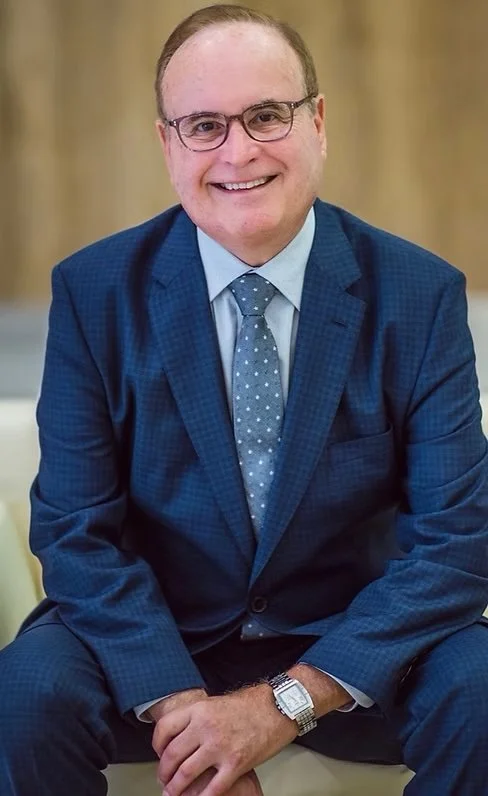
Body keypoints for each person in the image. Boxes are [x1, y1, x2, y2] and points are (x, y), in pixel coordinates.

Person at [1, 4, 487, 795]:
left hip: (350, 642)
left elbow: (456, 544)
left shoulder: (419, 295)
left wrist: (282, 705)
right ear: (168, 143)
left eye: (266, 116)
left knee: (482, 687)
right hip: (161, 639)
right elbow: (76, 532)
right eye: (204, 125)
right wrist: (189, 717)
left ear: (318, 122)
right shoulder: (93, 293)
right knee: (22, 694)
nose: (239, 152)